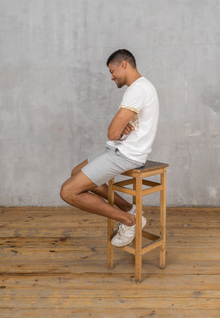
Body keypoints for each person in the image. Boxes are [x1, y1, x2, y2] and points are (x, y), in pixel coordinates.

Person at [60, 49, 159, 247]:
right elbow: (118, 133)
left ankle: (128, 221)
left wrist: (119, 130)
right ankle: (131, 210)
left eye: (112, 71)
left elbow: (112, 133)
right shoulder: (141, 87)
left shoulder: (137, 89)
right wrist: (122, 130)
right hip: (120, 149)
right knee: (76, 172)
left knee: (68, 192)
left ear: (124, 64)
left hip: (126, 154)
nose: (112, 77)